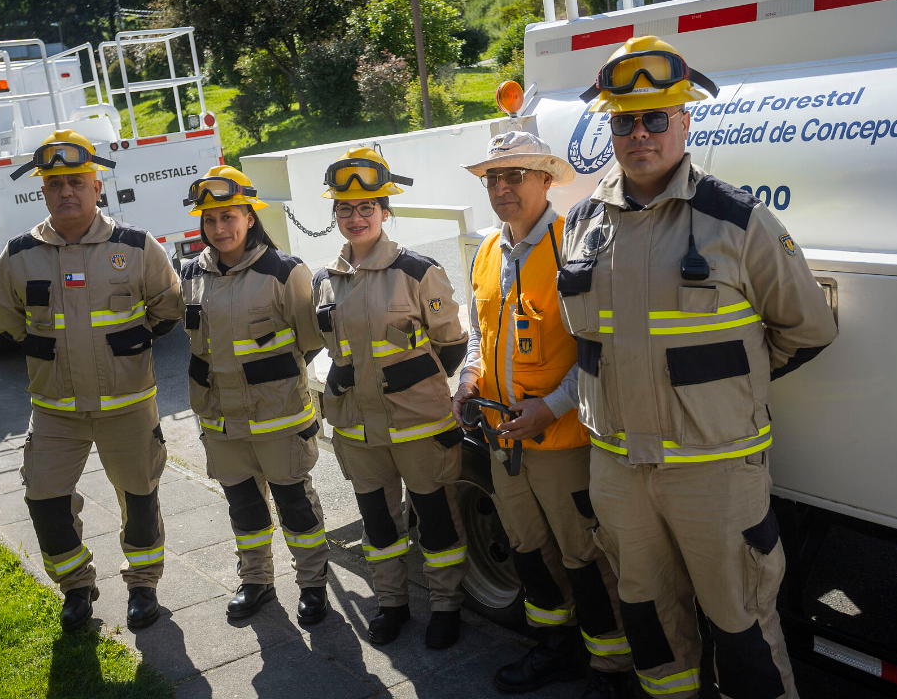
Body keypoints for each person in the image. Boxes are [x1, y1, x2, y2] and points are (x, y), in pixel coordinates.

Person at [558, 36, 838, 699]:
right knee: (649, 624)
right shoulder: (580, 225)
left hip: (715, 473)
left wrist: (728, 383)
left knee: (742, 628)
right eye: (624, 120)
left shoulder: (738, 221)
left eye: (657, 117)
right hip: (619, 472)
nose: (640, 133)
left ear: (686, 123)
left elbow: (808, 327)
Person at [453, 131, 634, 698]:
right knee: (529, 547)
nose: (502, 188)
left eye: (516, 175)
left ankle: (612, 667)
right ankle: (554, 648)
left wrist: (551, 407)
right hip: (504, 437)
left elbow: (603, 348)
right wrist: (467, 379)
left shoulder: (573, 247)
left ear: (546, 180)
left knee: (585, 554)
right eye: (493, 179)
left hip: (564, 440)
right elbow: (484, 337)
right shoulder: (487, 250)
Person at [0, 130, 184, 632]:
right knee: (43, 499)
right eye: (55, 184)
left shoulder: (138, 247)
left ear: (98, 186)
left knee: (140, 499)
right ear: (42, 192)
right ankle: (77, 586)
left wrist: (127, 350)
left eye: (77, 181)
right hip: (55, 411)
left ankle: (143, 586)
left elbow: (169, 307)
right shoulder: (16, 256)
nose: (66, 192)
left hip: (128, 404)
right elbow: (9, 322)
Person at [311, 148, 470, 649]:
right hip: (357, 431)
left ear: (385, 211)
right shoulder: (324, 280)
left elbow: (452, 343)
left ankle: (446, 606)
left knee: (438, 519)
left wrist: (413, 386)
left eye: (366, 208)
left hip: (418, 425)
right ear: (334, 214)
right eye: (345, 208)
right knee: (379, 524)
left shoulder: (418, 271)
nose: (355, 218)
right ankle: (391, 603)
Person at [179, 166, 331, 625]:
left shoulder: (284, 272)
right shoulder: (191, 274)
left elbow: (309, 340)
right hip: (221, 423)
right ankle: (257, 582)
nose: (220, 228)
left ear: (249, 216)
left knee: (296, 507)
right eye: (210, 220)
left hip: (278, 421)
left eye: (229, 217)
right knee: (244, 510)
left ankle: (312, 585)